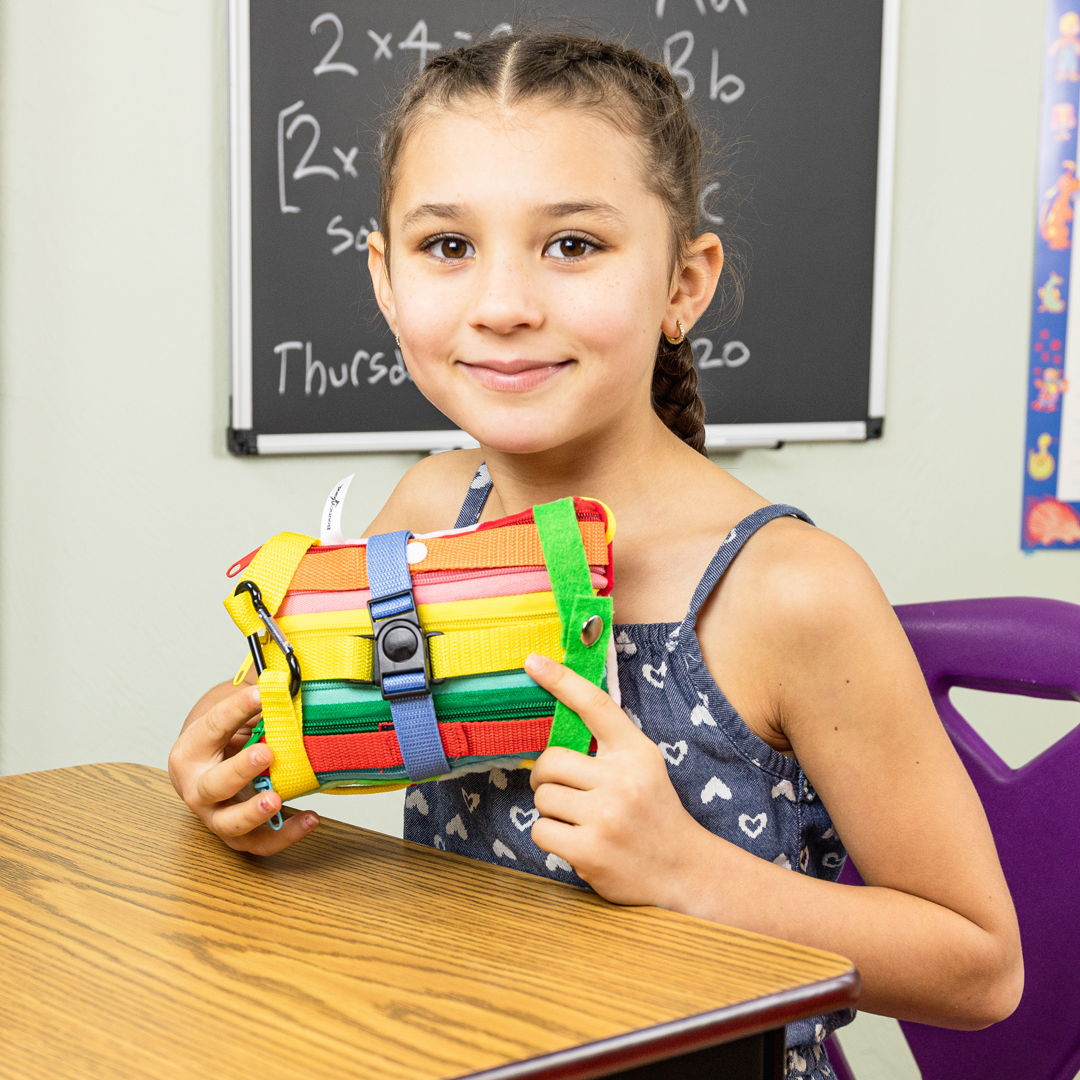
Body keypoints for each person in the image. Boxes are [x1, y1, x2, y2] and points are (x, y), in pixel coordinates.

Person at [169, 32, 1022, 1079]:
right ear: (386, 281)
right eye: (447, 248)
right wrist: (252, 781)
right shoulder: (431, 506)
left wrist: (686, 871)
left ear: (683, 282)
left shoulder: (789, 592)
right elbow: (366, 757)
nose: (504, 303)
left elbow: (979, 969)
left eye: (572, 244)